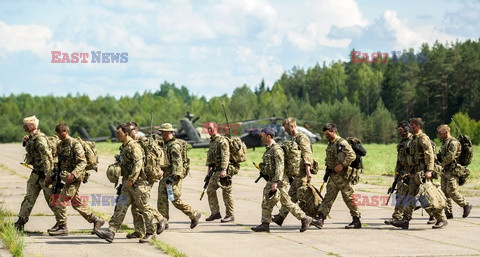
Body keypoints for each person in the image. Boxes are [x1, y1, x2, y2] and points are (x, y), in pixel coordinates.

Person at [94, 124, 160, 243]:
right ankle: (111, 231)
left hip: (138, 184)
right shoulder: (124, 147)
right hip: (127, 184)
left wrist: (132, 179)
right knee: (120, 206)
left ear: (126, 133)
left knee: (144, 208)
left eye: (119, 133)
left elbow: (138, 165)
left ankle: (151, 232)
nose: (116, 135)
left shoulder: (134, 147)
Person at [251, 127, 313, 233]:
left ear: (268, 136)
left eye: (262, 135)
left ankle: (304, 218)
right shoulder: (270, 149)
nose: (260, 138)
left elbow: (280, 167)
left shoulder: (277, 150)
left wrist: (276, 182)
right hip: (272, 180)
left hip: (279, 181)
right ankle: (265, 224)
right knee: (266, 201)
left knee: (286, 203)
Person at [47, 123, 105, 236]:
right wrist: (52, 175)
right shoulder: (60, 145)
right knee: (76, 203)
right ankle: (96, 220)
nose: (59, 136)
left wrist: (73, 174)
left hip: (74, 178)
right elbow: (58, 162)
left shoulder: (75, 144)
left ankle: (62, 227)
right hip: (65, 177)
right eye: (57, 133)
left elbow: (82, 162)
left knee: (61, 201)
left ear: (66, 132)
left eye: (61, 133)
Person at [14, 116, 67, 234]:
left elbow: (47, 158)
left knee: (52, 200)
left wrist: (49, 176)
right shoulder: (32, 138)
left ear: (32, 126)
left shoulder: (40, 140)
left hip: (45, 175)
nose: (23, 126)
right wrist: (26, 142)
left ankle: (62, 224)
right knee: (29, 198)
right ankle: (20, 222)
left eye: (26, 124)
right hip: (36, 174)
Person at [392, 118, 448, 229]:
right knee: (410, 196)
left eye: (413, 125)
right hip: (414, 174)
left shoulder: (423, 139)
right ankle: (405, 220)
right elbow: (410, 158)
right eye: (411, 125)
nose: (411, 127)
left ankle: (442, 219)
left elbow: (430, 155)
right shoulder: (413, 139)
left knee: (427, 197)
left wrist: (429, 171)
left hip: (423, 174)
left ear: (418, 127)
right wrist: (409, 172)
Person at [124, 121, 166, 239]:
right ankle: (139, 230)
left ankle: (159, 220)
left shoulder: (144, 142)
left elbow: (159, 154)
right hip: (135, 177)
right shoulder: (129, 143)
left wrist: (159, 169)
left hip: (146, 177)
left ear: (136, 131)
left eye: (131, 130)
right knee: (135, 206)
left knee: (143, 203)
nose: (128, 132)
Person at [315, 123, 361, 229]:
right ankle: (320, 218)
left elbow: (352, 155)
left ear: (334, 132)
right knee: (328, 198)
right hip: (333, 176)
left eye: (328, 134)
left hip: (344, 177)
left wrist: (343, 165)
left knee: (349, 198)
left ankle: (356, 220)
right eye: (325, 135)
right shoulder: (330, 144)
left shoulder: (342, 142)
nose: (326, 137)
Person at [157, 123, 201, 229]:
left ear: (170, 132)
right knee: (162, 198)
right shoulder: (166, 143)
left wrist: (173, 177)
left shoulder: (174, 146)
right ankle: (164, 221)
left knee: (174, 199)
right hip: (166, 176)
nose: (162, 133)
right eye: (161, 131)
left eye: (164, 131)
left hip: (173, 177)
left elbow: (178, 163)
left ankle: (193, 214)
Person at [273, 117, 313, 226]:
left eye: (286, 128)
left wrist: (308, 171)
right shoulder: (292, 138)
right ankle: (281, 217)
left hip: (302, 173)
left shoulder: (301, 138)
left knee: (299, 197)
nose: (285, 131)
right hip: (296, 173)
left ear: (292, 126)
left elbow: (307, 154)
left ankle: (310, 219)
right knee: (290, 197)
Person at [437, 124, 472, 219]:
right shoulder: (445, 142)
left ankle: (466, 205)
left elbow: (450, 157)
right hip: (445, 171)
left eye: (440, 133)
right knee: (444, 191)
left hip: (453, 171)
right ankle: (448, 211)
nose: (438, 135)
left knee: (451, 191)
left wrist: (440, 165)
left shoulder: (453, 143)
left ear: (446, 132)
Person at [204, 122, 236, 223]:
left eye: (211, 129)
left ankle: (230, 215)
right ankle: (215, 213)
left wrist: (224, 170)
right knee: (210, 190)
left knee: (226, 192)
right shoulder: (212, 141)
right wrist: (208, 172)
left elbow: (225, 156)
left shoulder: (222, 141)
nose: (209, 131)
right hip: (216, 170)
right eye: (208, 129)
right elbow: (210, 158)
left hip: (224, 170)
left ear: (216, 129)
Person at [384, 121, 413, 225]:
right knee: (400, 194)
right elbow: (399, 159)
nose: (399, 133)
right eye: (398, 131)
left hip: (412, 172)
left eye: (401, 130)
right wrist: (396, 173)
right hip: (402, 172)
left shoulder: (413, 141)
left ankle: (434, 214)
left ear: (406, 129)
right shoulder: (402, 142)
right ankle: (397, 217)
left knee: (419, 195)